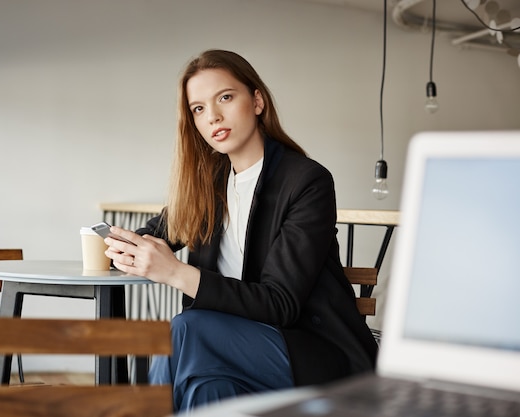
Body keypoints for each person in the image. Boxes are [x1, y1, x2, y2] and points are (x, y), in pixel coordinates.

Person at [104, 49, 378, 412]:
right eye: (198, 109)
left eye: (226, 98)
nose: (213, 116)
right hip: (220, 349)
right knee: (207, 389)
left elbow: (280, 304)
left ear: (258, 101)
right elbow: (154, 234)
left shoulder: (306, 181)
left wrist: (175, 272)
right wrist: (118, 247)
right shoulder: (209, 184)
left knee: (186, 329)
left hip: (312, 354)